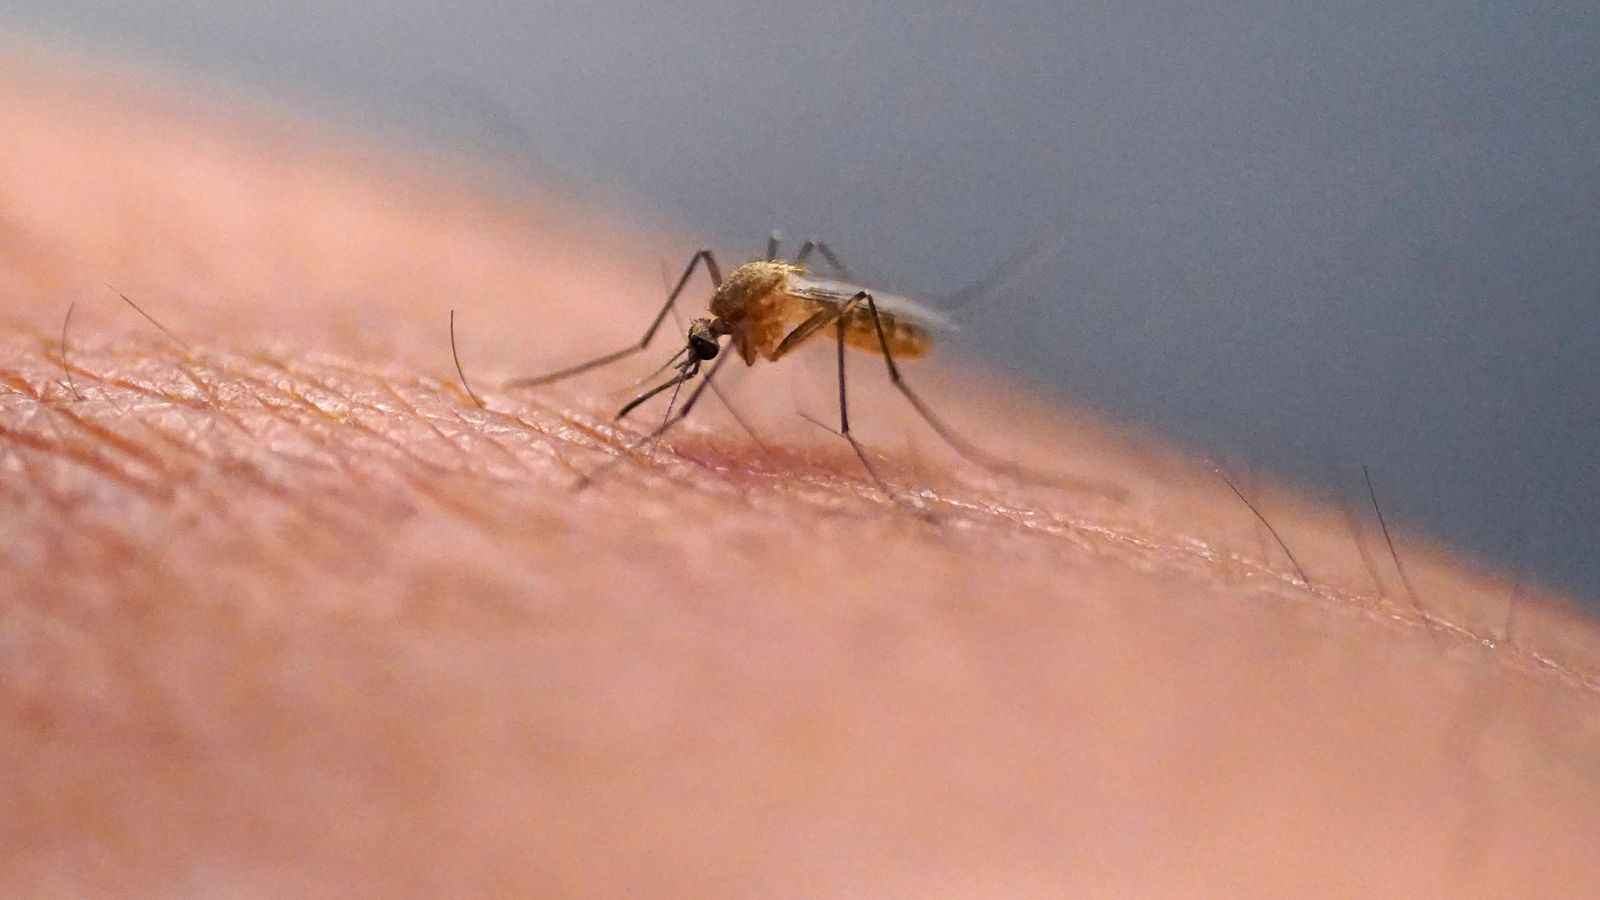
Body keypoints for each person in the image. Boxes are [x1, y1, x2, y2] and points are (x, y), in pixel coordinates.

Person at [3, 53, 1598, 896]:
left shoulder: (775, 315)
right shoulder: (721, 311)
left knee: (818, 320)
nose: (713, 358)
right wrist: (637, 378)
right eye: (706, 354)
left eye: (701, 357)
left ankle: (898, 442)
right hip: (793, 296)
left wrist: (831, 397)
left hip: (862, 318)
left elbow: (785, 304)